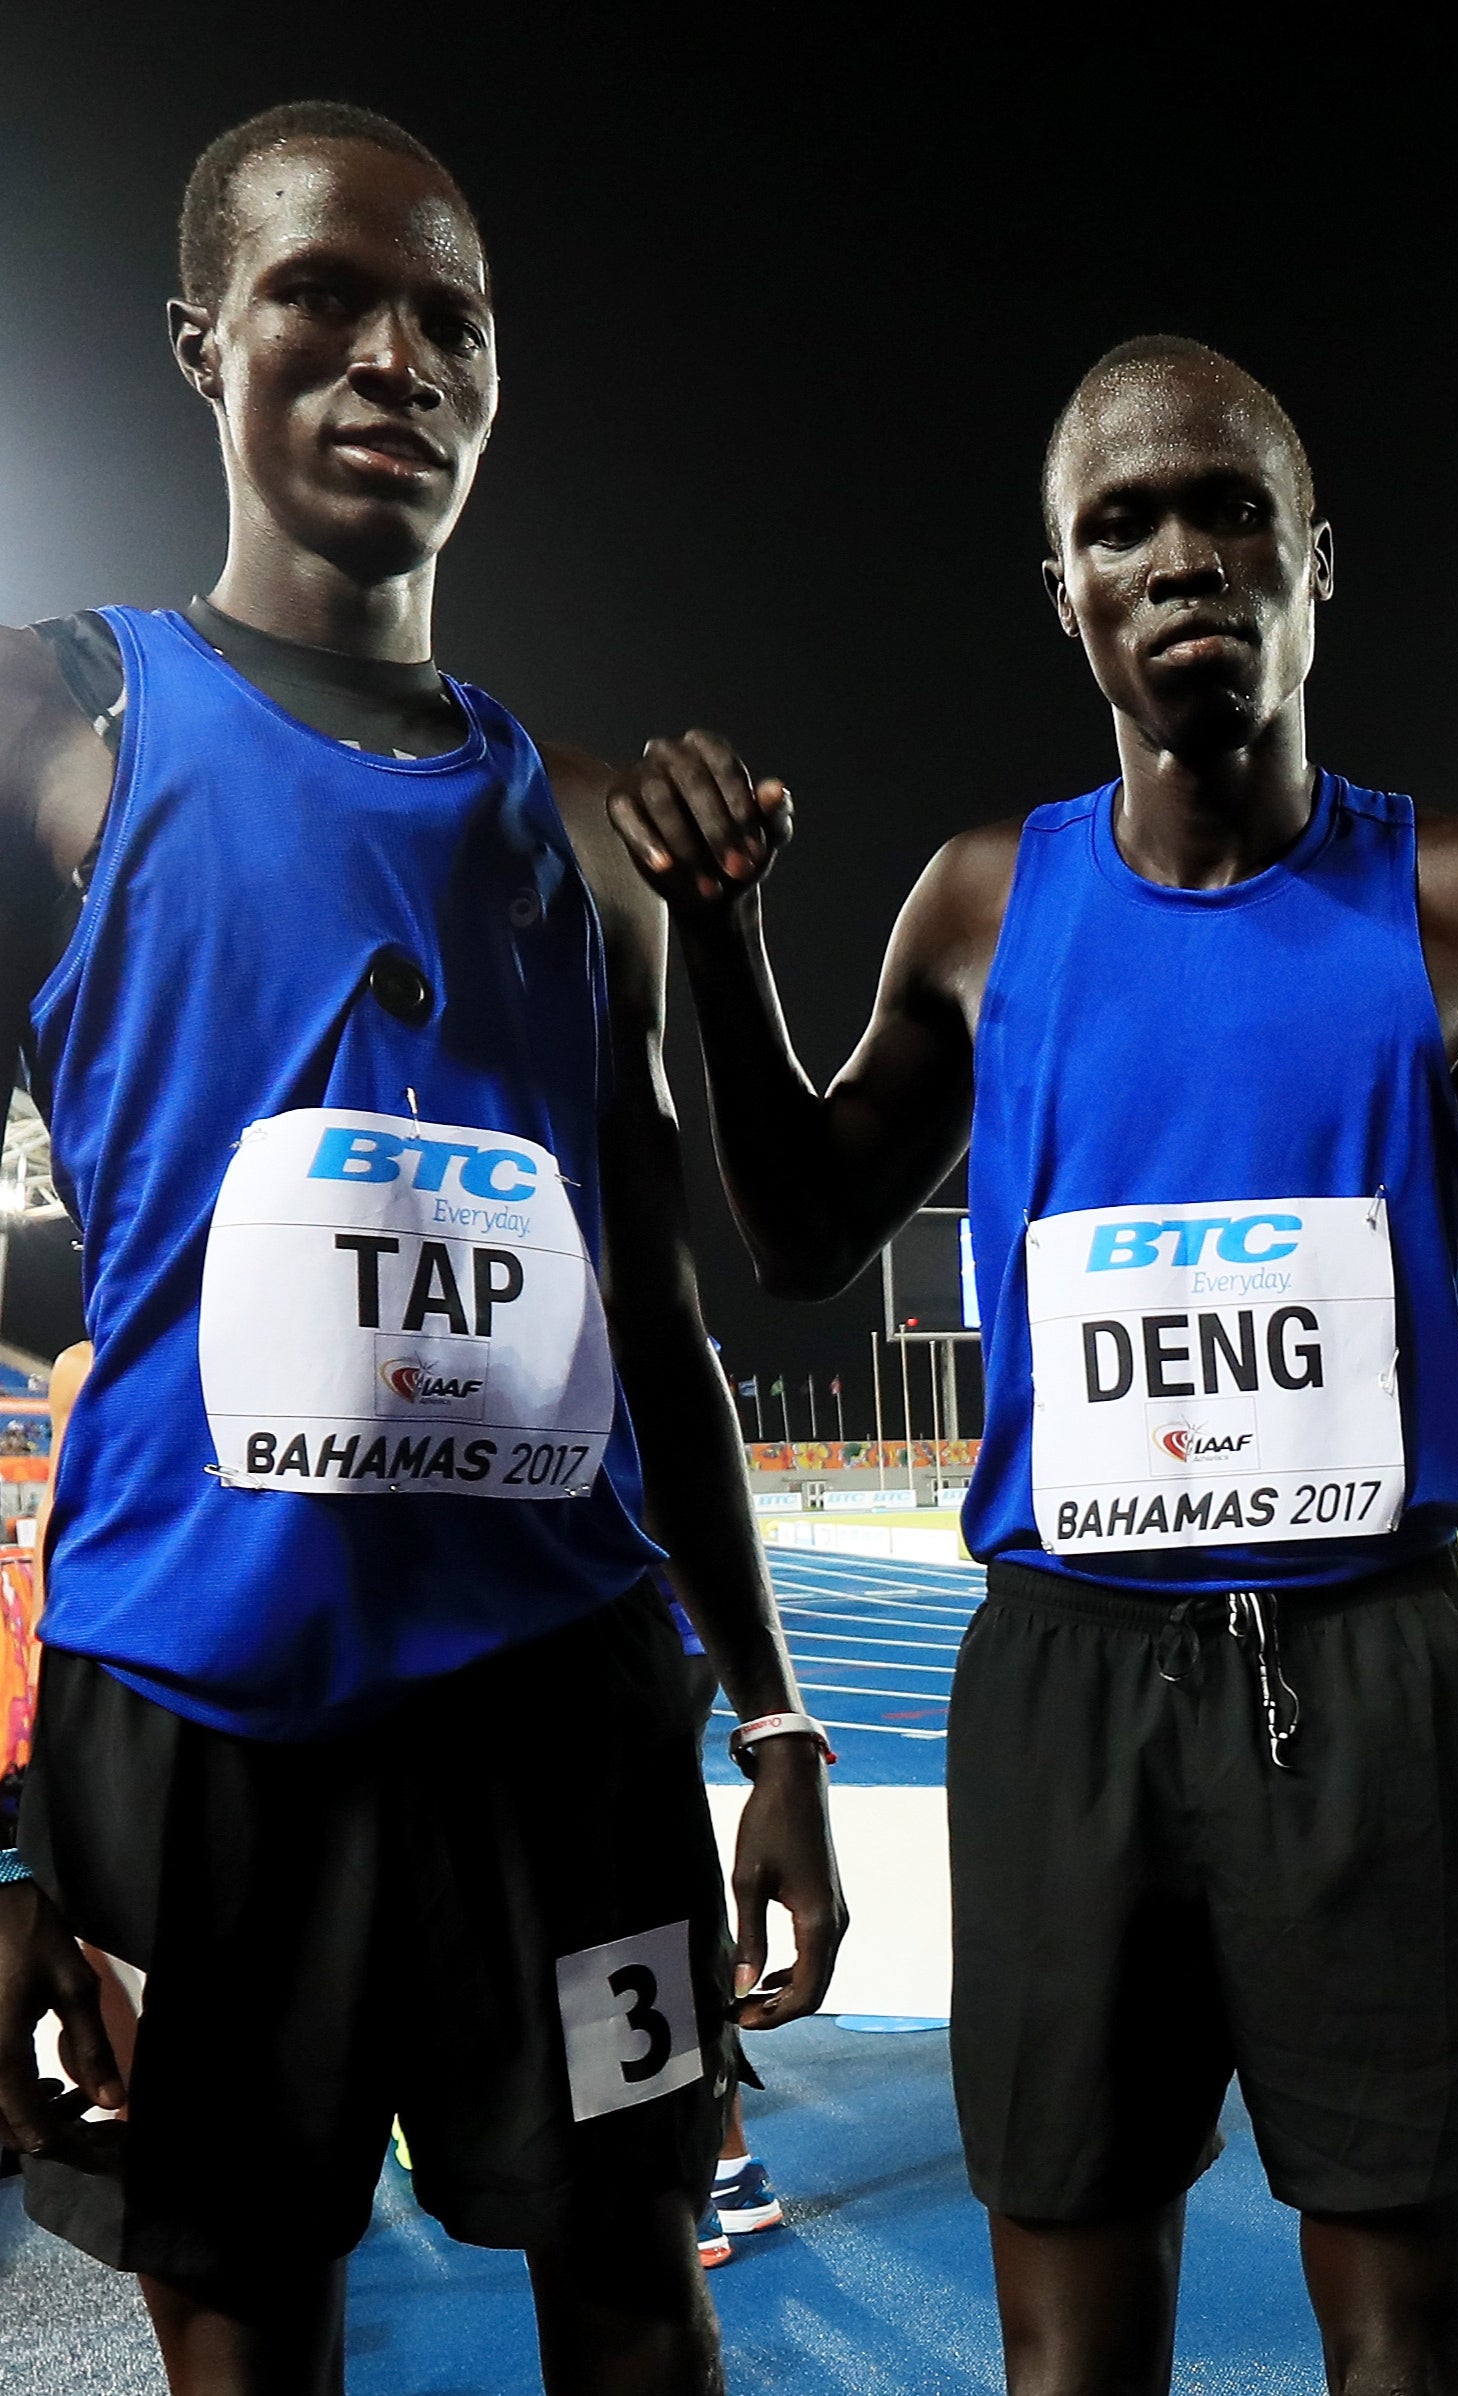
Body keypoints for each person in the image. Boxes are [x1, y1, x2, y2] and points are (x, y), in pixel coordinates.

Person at [603, 333, 1458, 2395]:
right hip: (1064, 1682)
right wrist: (716, 934)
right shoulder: (980, 903)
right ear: (1065, 595)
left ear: (1319, 558)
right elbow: (792, 1234)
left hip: (1372, 1670)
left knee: (1402, 2337)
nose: (1180, 554)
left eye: (1231, 506)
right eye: (1118, 523)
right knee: (1069, 2347)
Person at [0, 102, 844, 2393]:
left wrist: (770, 1715)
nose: (394, 360)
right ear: (199, 342)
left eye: (448, 320)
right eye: (322, 299)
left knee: (637, 2306)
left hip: (561, 1744)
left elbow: (651, 1318)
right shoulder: (57, 729)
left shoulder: (588, 836)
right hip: (196, 1731)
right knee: (244, 2324)